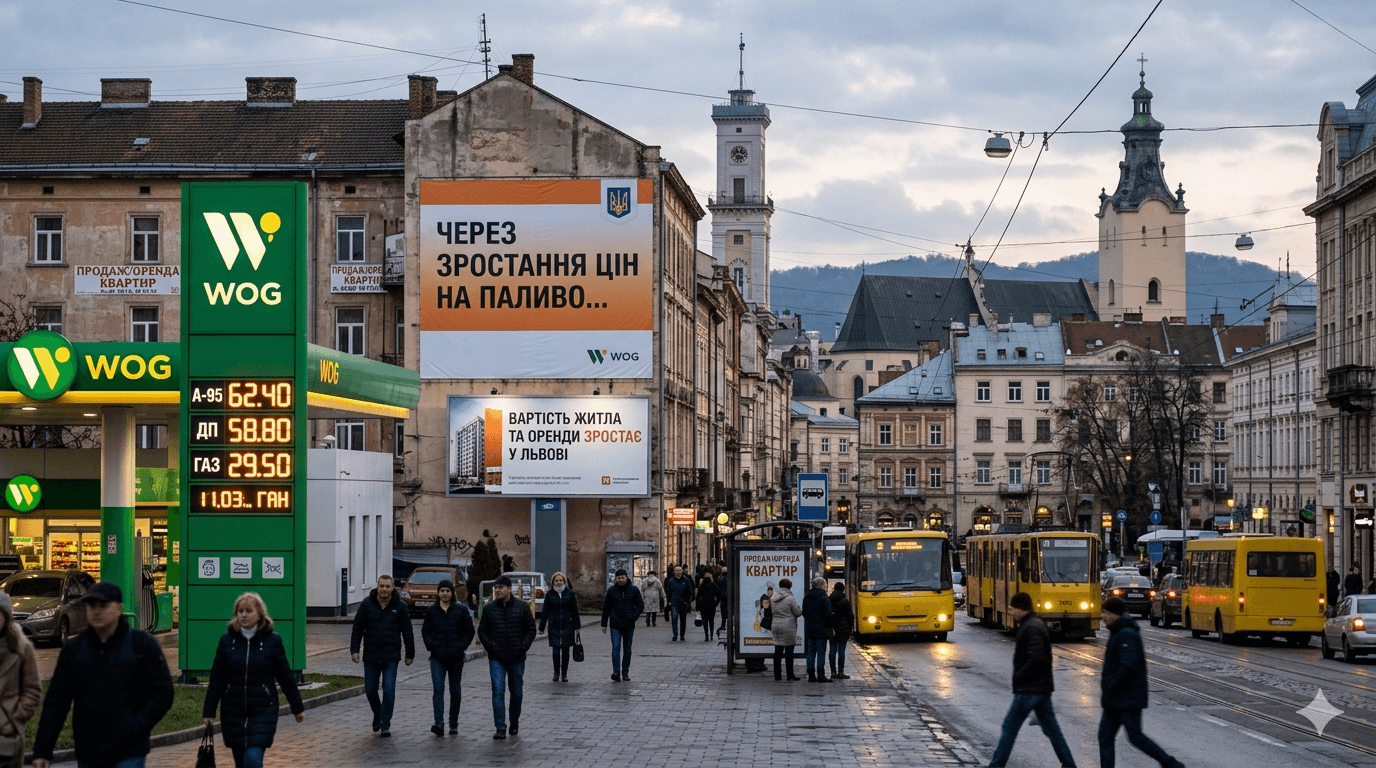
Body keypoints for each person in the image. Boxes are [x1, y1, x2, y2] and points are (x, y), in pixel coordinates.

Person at [32, 581, 174, 768]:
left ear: (119, 608)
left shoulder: (141, 645)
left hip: (129, 749)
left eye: (103, 605)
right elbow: (57, 701)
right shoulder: (74, 649)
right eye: (92, 606)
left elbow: (163, 692)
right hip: (89, 749)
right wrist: (43, 750)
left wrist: (136, 725)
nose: (96, 612)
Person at [202, 593, 306, 768]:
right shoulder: (227, 641)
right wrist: (209, 711)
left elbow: (286, 677)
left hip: (262, 711)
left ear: (259, 614)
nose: (244, 615)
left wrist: (297, 708)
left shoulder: (272, 641)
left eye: (249, 611)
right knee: (241, 762)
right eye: (240, 611)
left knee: (253, 759)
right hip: (233, 712)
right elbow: (217, 678)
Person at [987, 591, 1078, 768]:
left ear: (1021, 608)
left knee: (1009, 728)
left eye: (1012, 608)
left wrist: (1020, 676)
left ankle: (996, 765)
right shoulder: (1033, 624)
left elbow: (1037, 658)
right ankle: (1069, 765)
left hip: (1030, 689)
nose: (1011, 612)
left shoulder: (1032, 627)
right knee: (1053, 731)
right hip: (1041, 688)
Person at [1098, 597, 1185, 768]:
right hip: (1116, 699)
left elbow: (1128, 667)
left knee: (1135, 737)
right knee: (1105, 737)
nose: (1103, 616)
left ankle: (1171, 764)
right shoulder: (1118, 631)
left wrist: (1112, 687)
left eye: (1106, 613)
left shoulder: (1126, 633)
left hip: (1126, 698)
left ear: (1115, 614)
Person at [349, 574, 414, 737]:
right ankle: (378, 714)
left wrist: (410, 653)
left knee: (389, 689)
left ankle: (385, 723)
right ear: (377, 586)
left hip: (391, 656)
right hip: (371, 655)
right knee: (370, 690)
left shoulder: (400, 607)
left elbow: (407, 632)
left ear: (392, 588)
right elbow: (357, 628)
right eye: (381, 586)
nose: (384, 589)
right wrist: (354, 650)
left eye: (387, 586)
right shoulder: (366, 605)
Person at [478, 574, 536, 739]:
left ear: (509, 589)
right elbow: (482, 631)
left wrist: (522, 647)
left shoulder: (522, 607)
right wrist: (491, 647)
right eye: (495, 588)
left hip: (517, 657)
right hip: (497, 658)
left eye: (501, 588)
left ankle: (514, 722)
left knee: (516, 692)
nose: (497, 590)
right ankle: (500, 727)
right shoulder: (489, 608)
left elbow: (531, 629)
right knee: (498, 691)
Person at [421, 579, 474, 736]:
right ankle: (439, 723)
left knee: (455, 690)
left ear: (452, 593)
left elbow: (469, 631)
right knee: (438, 689)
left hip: (456, 657)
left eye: (447, 591)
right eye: (442, 591)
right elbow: (425, 631)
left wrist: (461, 646)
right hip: (437, 658)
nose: (445, 594)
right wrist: (432, 645)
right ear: (438, 593)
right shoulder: (432, 611)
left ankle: (453, 723)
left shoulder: (461, 610)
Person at [0, 592, 40, 768]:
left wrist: (14, 720)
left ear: (6, 617)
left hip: (7, 739)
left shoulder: (22, 647)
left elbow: (32, 690)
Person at [601, 569, 644, 681]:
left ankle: (625, 672)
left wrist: (634, 617)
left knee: (627, 649)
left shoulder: (634, 590)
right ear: (616, 579)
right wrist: (604, 623)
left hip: (629, 624)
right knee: (615, 647)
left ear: (626, 577)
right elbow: (606, 608)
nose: (620, 580)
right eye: (618, 578)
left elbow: (640, 605)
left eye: (622, 578)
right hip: (615, 624)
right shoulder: (611, 591)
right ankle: (616, 672)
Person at [537, 572, 580, 682]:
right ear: (553, 582)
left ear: (564, 582)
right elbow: (545, 611)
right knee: (555, 651)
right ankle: (556, 673)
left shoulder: (570, 594)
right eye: (556, 581)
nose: (559, 582)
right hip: (554, 626)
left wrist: (577, 626)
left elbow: (574, 611)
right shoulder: (549, 594)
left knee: (565, 651)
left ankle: (564, 674)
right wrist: (541, 627)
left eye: (560, 580)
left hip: (567, 625)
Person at [770, 578, 803, 681]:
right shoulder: (790, 598)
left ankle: (777, 675)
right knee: (789, 651)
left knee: (778, 650)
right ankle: (790, 675)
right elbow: (798, 612)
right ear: (789, 587)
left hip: (776, 625)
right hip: (788, 626)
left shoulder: (773, 597)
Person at [801, 577, 834, 683]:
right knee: (821, 652)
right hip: (821, 628)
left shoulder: (807, 597)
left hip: (810, 628)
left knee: (811, 651)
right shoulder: (823, 597)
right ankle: (821, 675)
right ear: (821, 585)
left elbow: (804, 612)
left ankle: (811, 674)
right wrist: (829, 626)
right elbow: (828, 614)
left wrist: (810, 621)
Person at [828, 582, 853, 680]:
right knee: (841, 651)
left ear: (834, 589)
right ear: (843, 590)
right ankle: (841, 672)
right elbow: (850, 616)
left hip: (832, 628)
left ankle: (833, 672)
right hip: (843, 628)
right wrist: (850, 628)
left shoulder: (829, 600)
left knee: (832, 650)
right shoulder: (845, 601)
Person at [664, 565, 695, 641]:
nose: (678, 572)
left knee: (683, 619)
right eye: (676, 570)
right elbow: (668, 592)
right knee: (674, 618)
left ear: (682, 571)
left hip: (683, 603)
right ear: (674, 572)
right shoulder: (671, 581)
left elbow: (689, 591)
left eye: (679, 570)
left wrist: (688, 601)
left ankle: (682, 635)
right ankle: (675, 634)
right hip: (674, 603)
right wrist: (669, 601)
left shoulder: (686, 580)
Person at [695, 570, 721, 641]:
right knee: (710, 621)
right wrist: (716, 603)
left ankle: (707, 636)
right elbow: (718, 595)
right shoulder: (712, 585)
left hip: (705, 605)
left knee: (706, 621)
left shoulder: (704, 586)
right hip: (710, 605)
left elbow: (698, 597)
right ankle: (710, 635)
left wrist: (697, 606)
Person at [715, 567, 730, 639]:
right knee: (726, 611)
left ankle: (723, 624)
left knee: (723, 611)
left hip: (722, 596)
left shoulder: (720, 577)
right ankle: (725, 624)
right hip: (726, 596)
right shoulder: (727, 577)